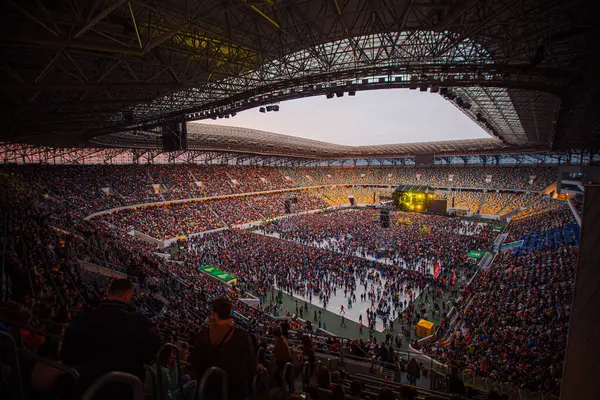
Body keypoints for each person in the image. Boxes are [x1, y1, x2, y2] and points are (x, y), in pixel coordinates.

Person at [62, 279, 161, 399]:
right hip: (123, 392)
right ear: (128, 295)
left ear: (108, 291)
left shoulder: (84, 319)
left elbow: (67, 356)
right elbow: (153, 352)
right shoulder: (139, 322)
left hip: (86, 389)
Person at [192, 297, 258, 400]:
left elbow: (194, 364)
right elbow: (252, 366)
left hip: (208, 391)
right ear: (230, 313)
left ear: (214, 314)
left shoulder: (202, 336)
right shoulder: (242, 336)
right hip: (236, 391)